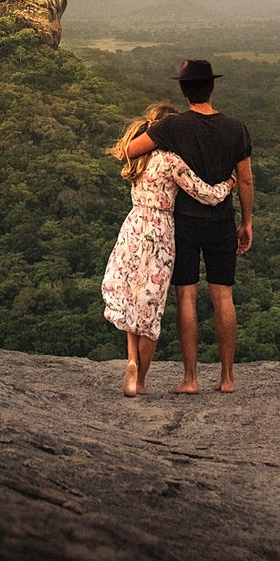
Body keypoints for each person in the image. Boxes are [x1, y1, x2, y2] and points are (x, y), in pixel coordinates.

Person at [123, 60, 253, 394]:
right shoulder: (236, 127)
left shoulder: (174, 127)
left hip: (184, 223)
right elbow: (246, 179)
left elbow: (129, 150)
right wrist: (247, 221)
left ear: (183, 91)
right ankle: (226, 378)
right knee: (223, 296)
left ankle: (191, 379)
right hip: (222, 220)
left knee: (187, 297)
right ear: (211, 87)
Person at [102, 102, 236, 398]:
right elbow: (206, 194)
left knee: (133, 302)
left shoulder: (138, 158)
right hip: (159, 233)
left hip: (133, 228)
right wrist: (230, 183)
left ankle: (132, 361)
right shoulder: (171, 161)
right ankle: (141, 380)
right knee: (151, 307)